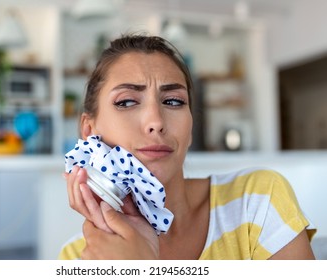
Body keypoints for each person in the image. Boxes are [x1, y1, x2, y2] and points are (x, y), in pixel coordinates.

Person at [59, 33, 316, 260]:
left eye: (173, 101)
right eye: (126, 102)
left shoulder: (257, 200)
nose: (156, 122)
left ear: (190, 128)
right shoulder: (78, 257)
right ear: (90, 132)